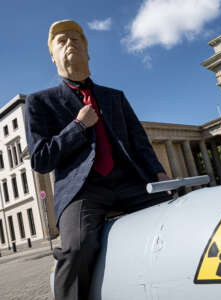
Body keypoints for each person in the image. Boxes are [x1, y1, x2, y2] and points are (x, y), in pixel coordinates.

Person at [24, 20, 171, 300]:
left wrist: (159, 174)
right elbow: (41, 159)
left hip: (130, 181)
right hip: (84, 191)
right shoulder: (39, 102)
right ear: (52, 57)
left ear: (88, 53)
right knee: (76, 248)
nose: (70, 43)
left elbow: (140, 143)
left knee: (177, 209)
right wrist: (78, 127)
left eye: (77, 39)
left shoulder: (114, 97)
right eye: (62, 41)